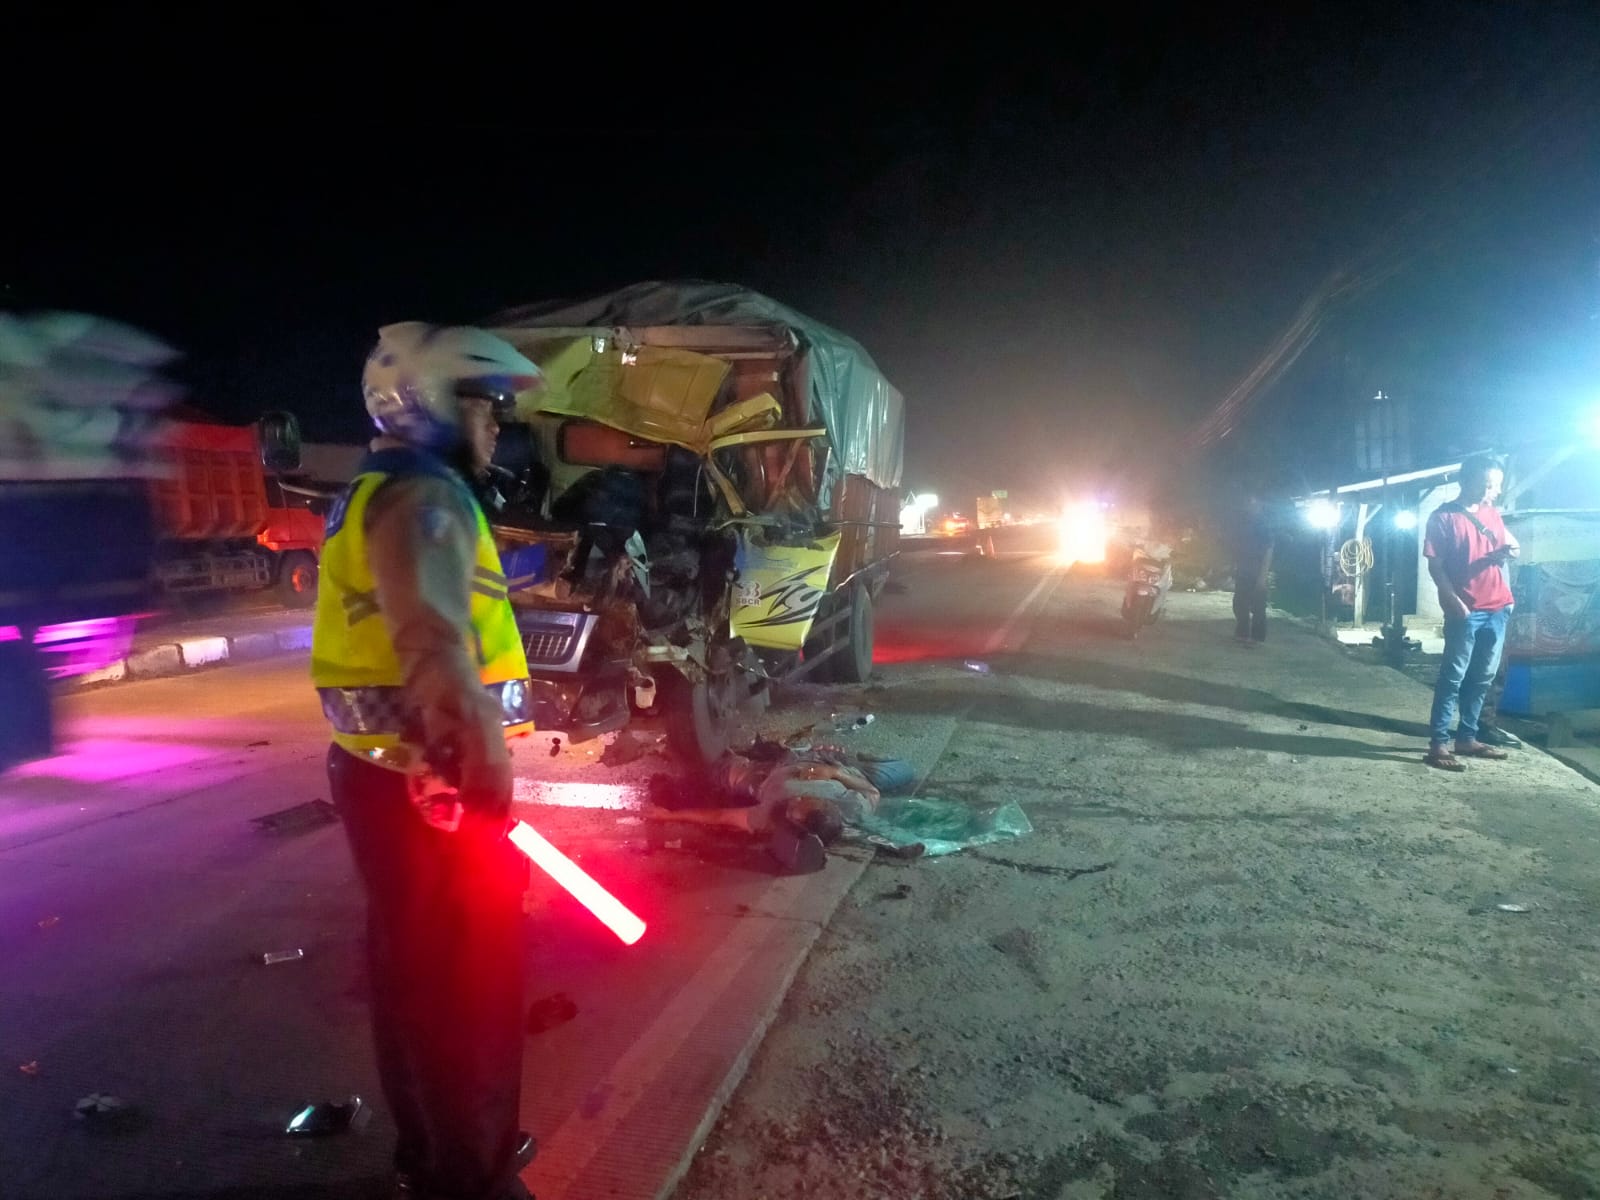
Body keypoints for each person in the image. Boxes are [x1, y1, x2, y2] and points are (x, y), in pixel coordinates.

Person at [311, 322, 545, 1200]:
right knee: (469, 985)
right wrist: (475, 761)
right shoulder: (427, 498)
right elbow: (435, 642)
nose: (494, 428)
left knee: (411, 974)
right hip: (432, 783)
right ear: (433, 405)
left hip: (381, 774)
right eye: (484, 407)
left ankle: (432, 1160)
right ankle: (476, 1179)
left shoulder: (370, 488)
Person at [1422, 454, 1520, 771]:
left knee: (1483, 678)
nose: (1492, 490)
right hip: (1466, 609)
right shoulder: (1442, 518)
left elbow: (1503, 551)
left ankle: (1467, 737)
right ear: (1467, 480)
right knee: (1453, 677)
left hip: (1498, 607)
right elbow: (1435, 566)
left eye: (1496, 484)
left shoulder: (1492, 514)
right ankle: (1438, 745)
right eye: (1487, 483)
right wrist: (1451, 599)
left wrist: (1507, 557)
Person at [1229, 487, 1274, 645]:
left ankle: (1257, 637)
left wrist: (1262, 576)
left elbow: (1269, 550)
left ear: (1260, 504)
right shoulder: (1245, 522)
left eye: (1252, 502)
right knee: (1239, 604)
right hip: (1243, 570)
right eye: (1248, 502)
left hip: (1257, 572)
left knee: (1258, 607)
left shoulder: (1264, 525)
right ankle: (1242, 632)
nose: (1249, 505)